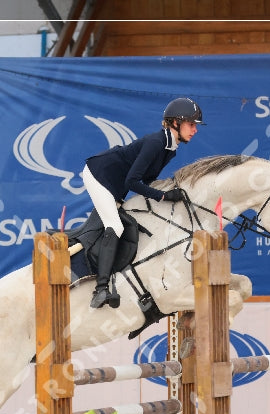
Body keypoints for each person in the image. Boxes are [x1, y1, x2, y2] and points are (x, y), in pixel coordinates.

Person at [82, 97, 204, 309]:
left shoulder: (170, 148)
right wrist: (164, 196)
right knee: (116, 226)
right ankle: (101, 290)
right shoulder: (156, 143)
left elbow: (146, 180)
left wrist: (166, 192)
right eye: (191, 124)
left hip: (116, 184)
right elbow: (133, 181)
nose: (195, 130)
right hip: (99, 175)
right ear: (176, 122)